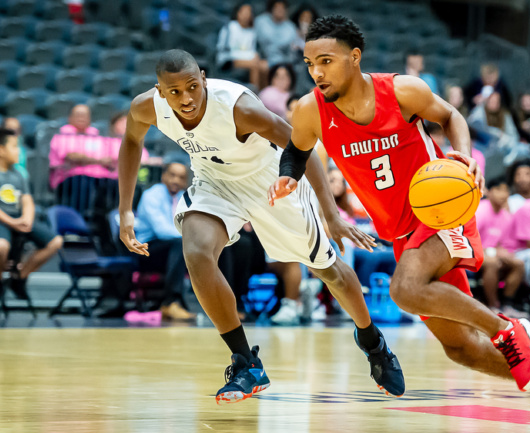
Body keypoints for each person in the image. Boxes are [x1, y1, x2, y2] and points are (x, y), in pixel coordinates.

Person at [270, 15, 530, 433]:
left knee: (404, 289)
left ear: (354, 58)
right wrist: (287, 176)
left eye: (326, 61)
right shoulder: (309, 110)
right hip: (402, 233)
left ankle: (507, 328)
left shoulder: (401, 90)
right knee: (461, 349)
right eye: (309, 62)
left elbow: (452, 117)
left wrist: (464, 157)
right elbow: (297, 153)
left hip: (441, 212)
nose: (316, 72)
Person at [117, 49, 404, 404]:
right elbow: (131, 140)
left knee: (328, 270)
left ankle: (372, 342)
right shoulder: (147, 106)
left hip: (271, 182)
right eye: (174, 92)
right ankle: (245, 363)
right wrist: (125, 211)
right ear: (159, 92)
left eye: (192, 87)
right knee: (195, 251)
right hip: (214, 182)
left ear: (203, 77)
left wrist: (330, 214)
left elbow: (303, 149)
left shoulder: (239, 108)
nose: (186, 98)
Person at [0, 129, 63, 299]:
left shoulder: (19, 175)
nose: (19, 151)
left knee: (55, 242)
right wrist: (11, 222)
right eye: (14, 147)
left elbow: (27, 201)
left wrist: (27, 219)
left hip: (17, 219)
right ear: (0, 150)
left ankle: (20, 278)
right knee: (0, 246)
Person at [133, 161, 195, 321]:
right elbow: (162, 231)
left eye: (181, 177)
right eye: (172, 175)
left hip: (172, 246)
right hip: (146, 248)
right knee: (180, 244)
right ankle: (170, 302)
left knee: (223, 246)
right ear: (163, 176)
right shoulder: (152, 195)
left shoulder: (184, 198)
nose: (176, 180)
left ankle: (231, 303)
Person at [474, 177, 526, 316]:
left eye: (506, 190)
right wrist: (493, 252)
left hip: (493, 254)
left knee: (518, 263)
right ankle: (492, 306)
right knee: (492, 263)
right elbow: (469, 239)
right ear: (488, 192)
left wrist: (505, 253)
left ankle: (507, 305)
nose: (503, 194)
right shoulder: (480, 210)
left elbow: (505, 245)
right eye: (498, 190)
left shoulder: (507, 216)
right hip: (473, 252)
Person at [216, 2, 269, 89]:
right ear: (238, 13)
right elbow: (226, 50)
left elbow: (251, 49)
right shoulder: (229, 27)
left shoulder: (251, 31)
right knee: (254, 65)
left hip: (247, 60)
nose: (247, 15)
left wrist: (254, 55)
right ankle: (255, 95)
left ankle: (265, 94)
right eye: (244, 12)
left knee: (265, 65)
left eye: (249, 12)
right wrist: (250, 56)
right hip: (228, 60)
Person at [254, 0, 301, 66]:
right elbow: (253, 42)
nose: (280, 10)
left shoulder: (291, 28)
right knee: (261, 66)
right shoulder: (260, 21)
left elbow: (292, 52)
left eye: (282, 8)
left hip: (283, 62)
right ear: (271, 9)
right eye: (277, 7)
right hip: (262, 59)